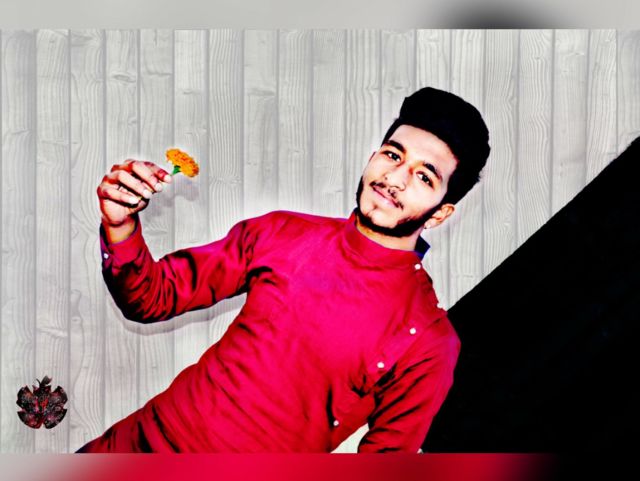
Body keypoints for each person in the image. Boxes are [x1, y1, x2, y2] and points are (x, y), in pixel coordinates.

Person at [78, 86, 490, 453]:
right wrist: (120, 226)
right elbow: (151, 298)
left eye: (424, 177)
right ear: (372, 158)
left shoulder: (429, 340)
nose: (395, 179)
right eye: (393, 155)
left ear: (441, 213)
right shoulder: (283, 232)